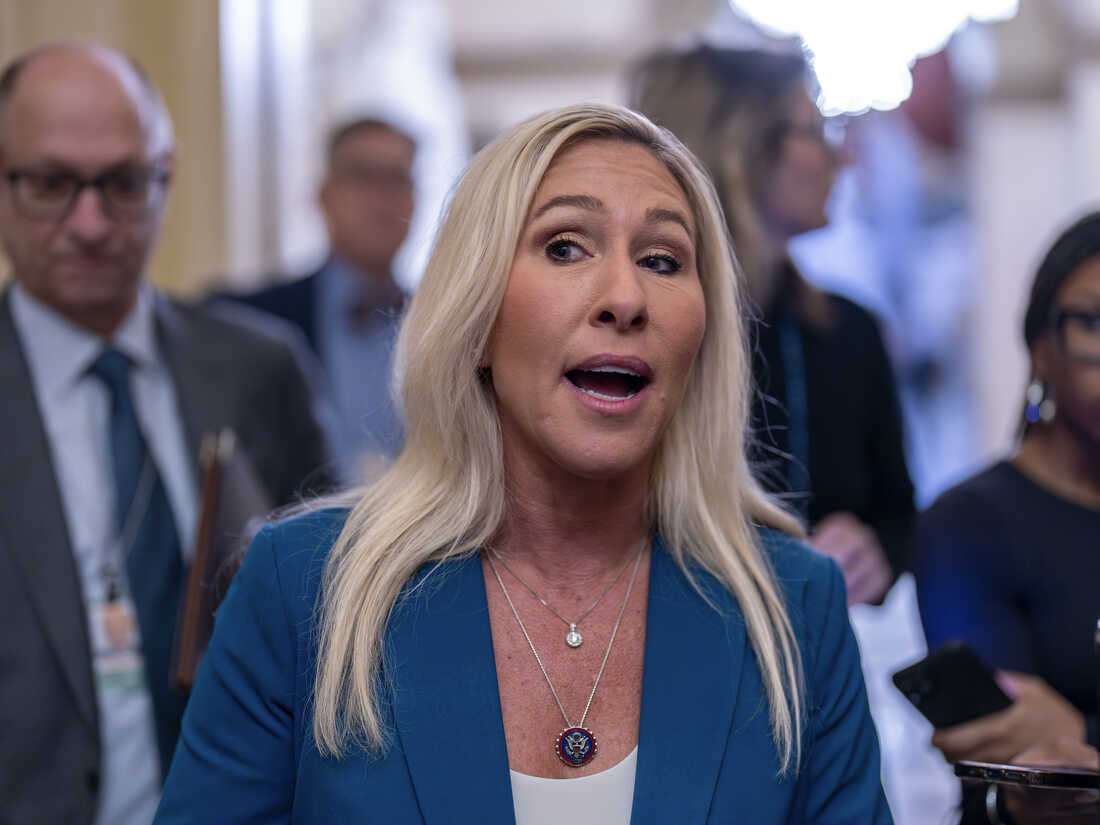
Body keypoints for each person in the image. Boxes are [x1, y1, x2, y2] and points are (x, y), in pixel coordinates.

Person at [153, 104, 891, 823]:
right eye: (566, 247)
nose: (627, 297)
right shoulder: (302, 586)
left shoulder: (795, 605)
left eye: (662, 259)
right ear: (476, 316)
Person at [0, 43, 330, 825]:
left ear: (165, 176)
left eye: (121, 183)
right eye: (51, 184)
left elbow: (334, 615)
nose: (90, 223)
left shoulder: (259, 368)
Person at [632, 45, 916, 607]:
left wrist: (874, 551)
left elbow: (900, 518)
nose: (843, 160)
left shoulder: (848, 330)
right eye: (816, 132)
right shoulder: (636, 327)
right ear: (740, 150)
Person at [915, 211, 1100, 824]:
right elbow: (1002, 763)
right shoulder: (970, 523)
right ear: (1041, 348)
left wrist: (1079, 727)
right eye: (1093, 323)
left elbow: (1065, 740)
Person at [223, 116, 416, 481]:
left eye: (398, 179)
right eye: (364, 176)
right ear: (324, 195)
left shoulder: (453, 323)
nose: (382, 199)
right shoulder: (252, 319)